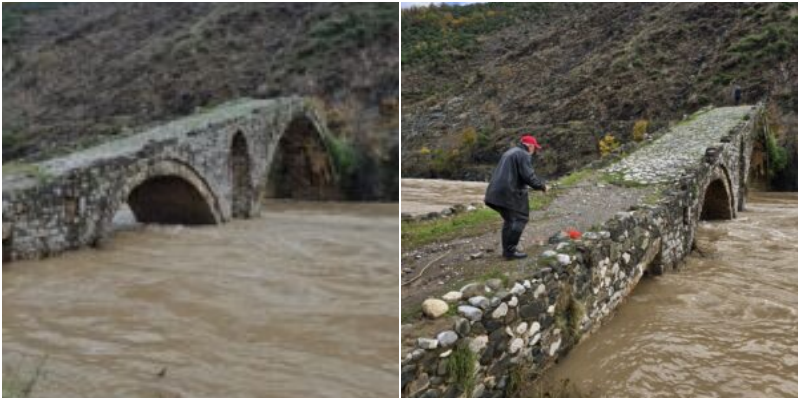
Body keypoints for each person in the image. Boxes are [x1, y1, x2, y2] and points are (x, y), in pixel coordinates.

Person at [484, 135, 548, 260]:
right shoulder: (523, 154)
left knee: (509, 220)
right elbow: (528, 176)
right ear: (529, 146)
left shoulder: (510, 152)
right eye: (535, 147)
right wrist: (542, 186)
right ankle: (510, 251)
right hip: (508, 193)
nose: (535, 150)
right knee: (520, 218)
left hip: (495, 192)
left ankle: (507, 250)